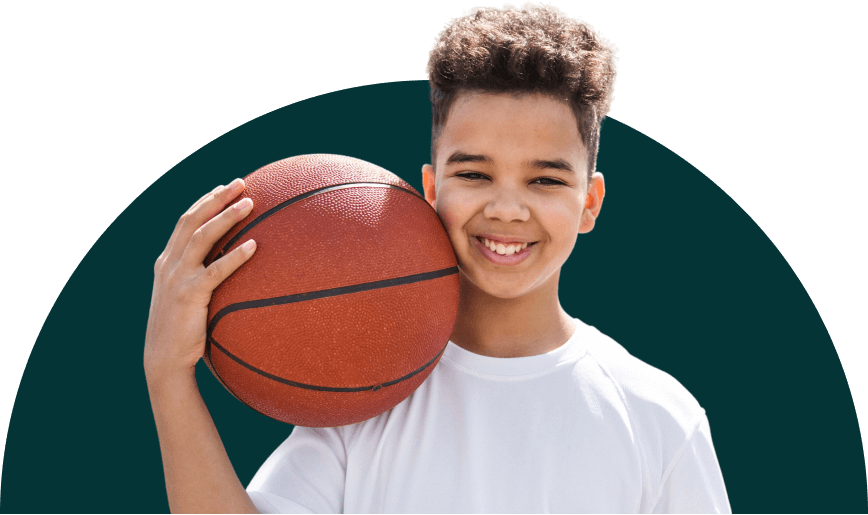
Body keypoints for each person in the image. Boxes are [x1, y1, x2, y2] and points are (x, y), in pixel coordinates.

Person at [145, 3, 731, 513]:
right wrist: (168, 374)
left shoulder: (658, 419)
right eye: (474, 173)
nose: (506, 208)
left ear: (590, 202)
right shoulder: (364, 392)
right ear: (430, 190)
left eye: (545, 180)